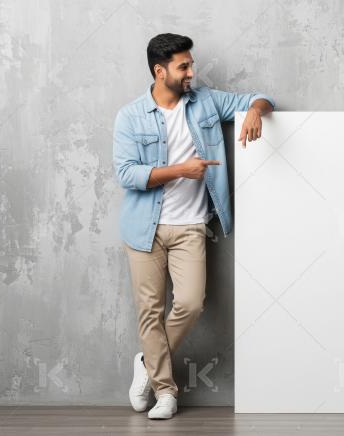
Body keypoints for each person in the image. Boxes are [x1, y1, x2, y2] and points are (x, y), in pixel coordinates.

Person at [112, 33, 274, 419]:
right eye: (183, 66)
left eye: (191, 64)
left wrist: (254, 109)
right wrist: (180, 171)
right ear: (159, 70)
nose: (191, 72)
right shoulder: (130, 115)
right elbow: (127, 174)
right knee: (150, 312)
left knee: (189, 303)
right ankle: (166, 393)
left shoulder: (205, 101)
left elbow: (263, 98)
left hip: (191, 228)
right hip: (144, 230)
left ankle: (148, 362)